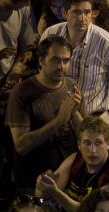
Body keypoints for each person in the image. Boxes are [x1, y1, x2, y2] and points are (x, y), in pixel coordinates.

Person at [40, 0, 109, 118]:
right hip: (54, 117)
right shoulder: (50, 34)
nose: (82, 18)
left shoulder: (108, 44)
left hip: (93, 119)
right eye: (76, 12)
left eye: (87, 12)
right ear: (64, 13)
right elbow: (43, 73)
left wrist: (99, 115)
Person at [7, 35, 81, 189]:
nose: (61, 66)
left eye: (66, 61)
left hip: (67, 177)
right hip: (33, 180)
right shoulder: (22, 92)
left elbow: (85, 134)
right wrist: (59, 121)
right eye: (55, 60)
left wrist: (74, 114)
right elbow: (21, 145)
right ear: (41, 61)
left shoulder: (71, 86)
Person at [36, 115, 109, 212]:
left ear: (108, 143)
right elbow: (42, 195)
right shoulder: (75, 160)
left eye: (98, 143)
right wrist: (42, 186)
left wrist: (55, 192)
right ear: (79, 144)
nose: (92, 150)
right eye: (87, 143)